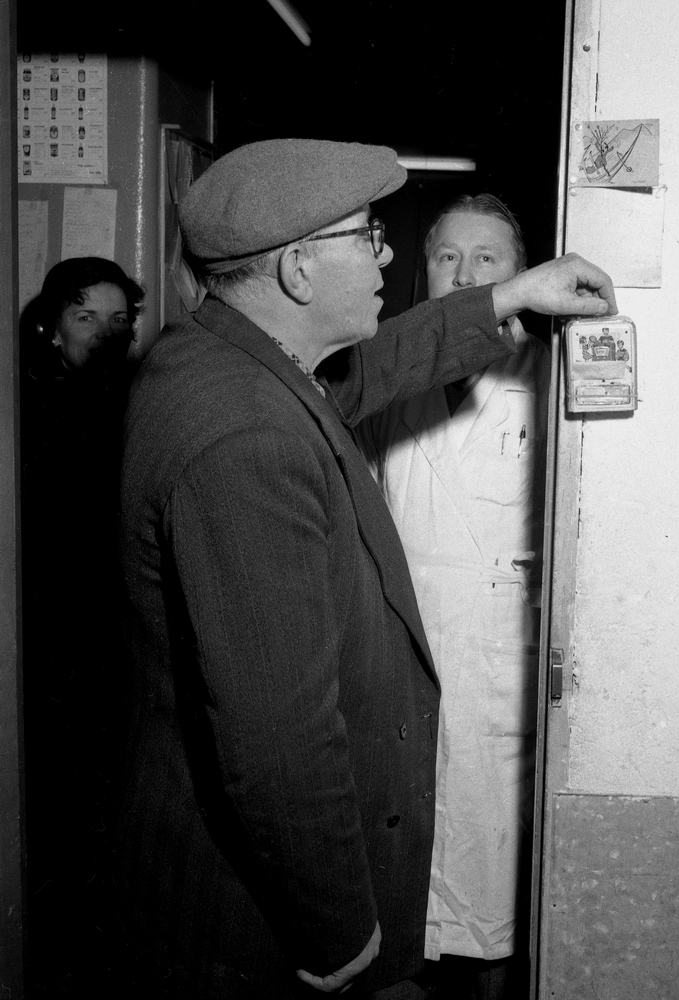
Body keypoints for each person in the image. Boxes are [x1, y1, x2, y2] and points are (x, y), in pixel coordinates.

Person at [111, 138, 616, 999]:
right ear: (299, 269)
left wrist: (508, 296)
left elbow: (371, 369)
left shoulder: (227, 359)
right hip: (250, 914)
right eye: (368, 236)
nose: (386, 257)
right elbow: (277, 741)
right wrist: (343, 933)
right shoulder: (248, 438)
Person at [361, 195, 546, 998]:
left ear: (520, 275)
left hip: (503, 668)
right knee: (407, 891)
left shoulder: (547, 379)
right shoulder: (382, 378)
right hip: (403, 660)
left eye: (486, 260)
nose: (464, 276)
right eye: (447, 258)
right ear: (423, 272)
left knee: (495, 891)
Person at [18, 256, 144, 991]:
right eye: (85, 316)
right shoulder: (28, 408)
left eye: (118, 319)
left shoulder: (134, 403)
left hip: (113, 638)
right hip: (47, 641)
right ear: (51, 326)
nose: (103, 332)